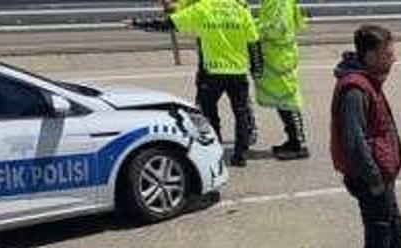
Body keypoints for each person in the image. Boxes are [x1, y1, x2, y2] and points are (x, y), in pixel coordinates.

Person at [331, 25, 401, 248]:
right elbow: (354, 141)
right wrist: (375, 179)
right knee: (379, 235)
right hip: (371, 180)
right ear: (369, 55)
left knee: (394, 230)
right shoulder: (356, 89)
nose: (393, 59)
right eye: (387, 54)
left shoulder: (368, 81)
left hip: (379, 177)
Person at [132, 0, 260, 166]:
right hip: (238, 72)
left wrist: (137, 23)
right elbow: (254, 41)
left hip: (212, 72)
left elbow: (168, 24)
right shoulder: (240, 9)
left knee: (207, 114)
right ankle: (240, 156)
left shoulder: (203, 8)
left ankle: (214, 152)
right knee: (241, 113)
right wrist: (258, 68)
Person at [256, 0, 310, 160]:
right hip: (276, 55)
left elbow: (276, 28)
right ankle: (292, 140)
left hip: (280, 57)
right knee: (282, 101)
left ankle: (299, 144)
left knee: (289, 101)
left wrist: (252, 30)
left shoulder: (280, 2)